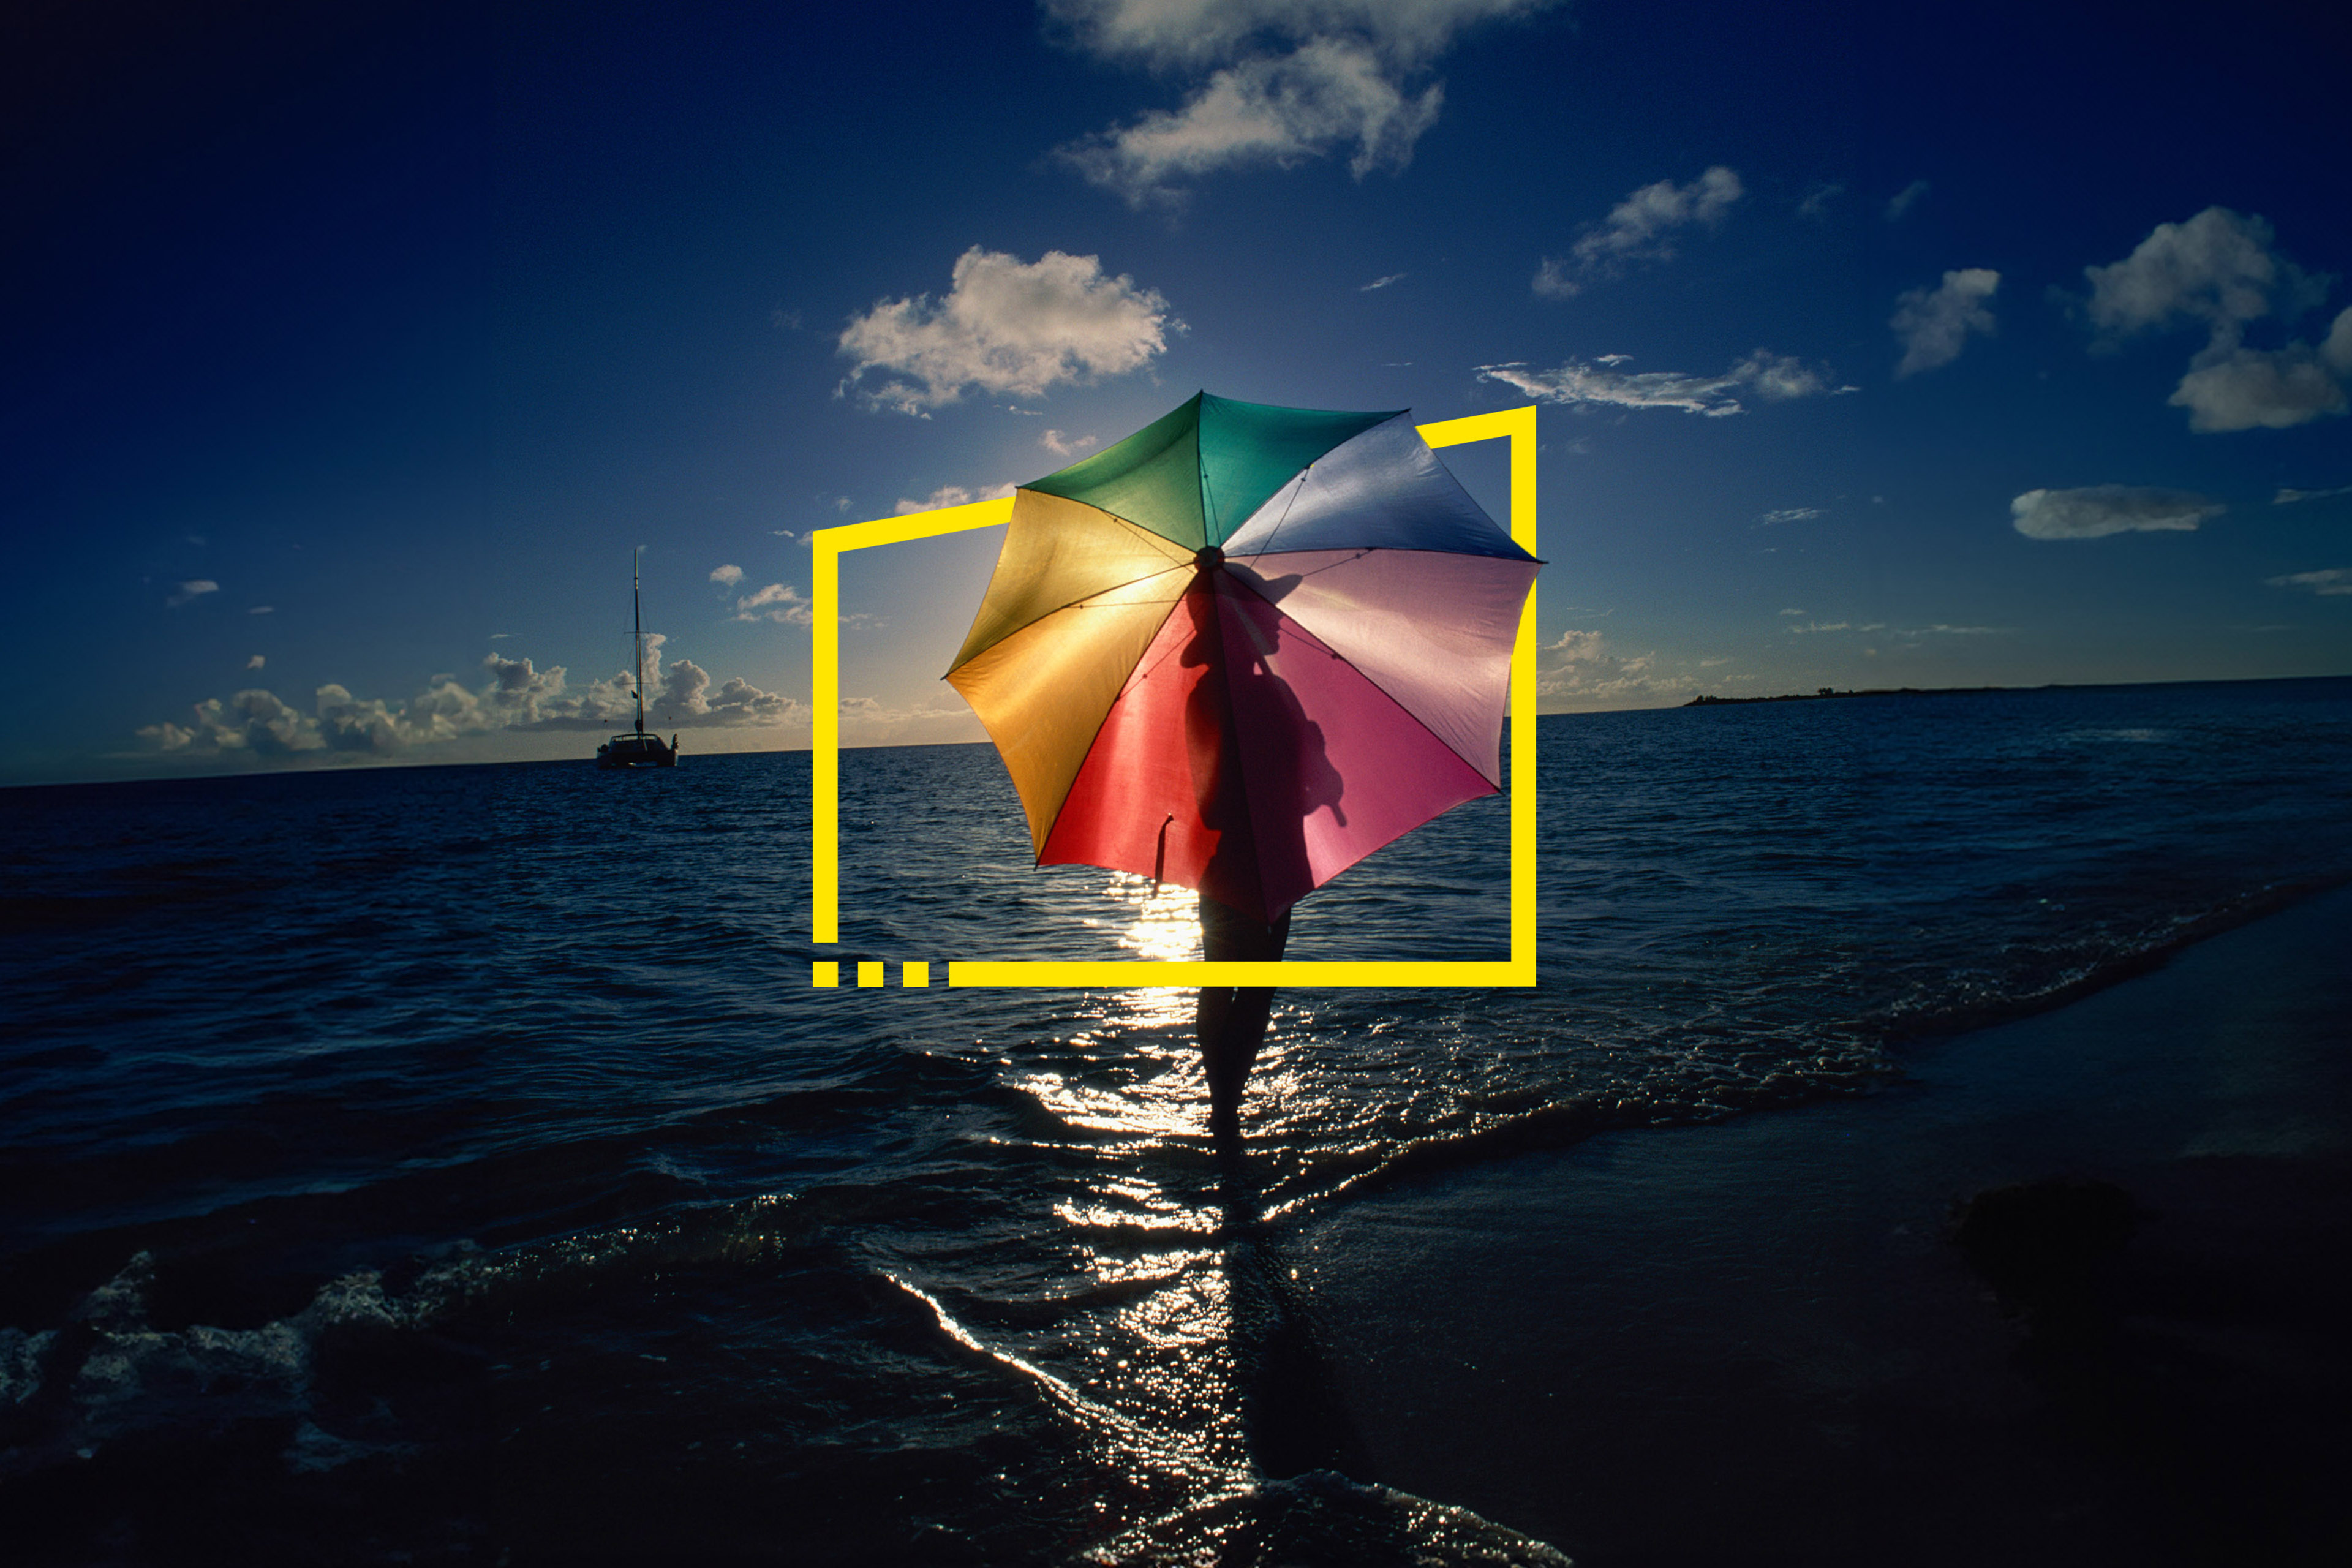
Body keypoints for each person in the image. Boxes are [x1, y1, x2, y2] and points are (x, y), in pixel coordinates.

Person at [1198, 894, 1291, 1131]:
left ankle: (1222, 1103)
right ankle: (1225, 1105)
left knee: (1223, 986)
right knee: (1254, 992)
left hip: (1224, 883)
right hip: (1260, 891)